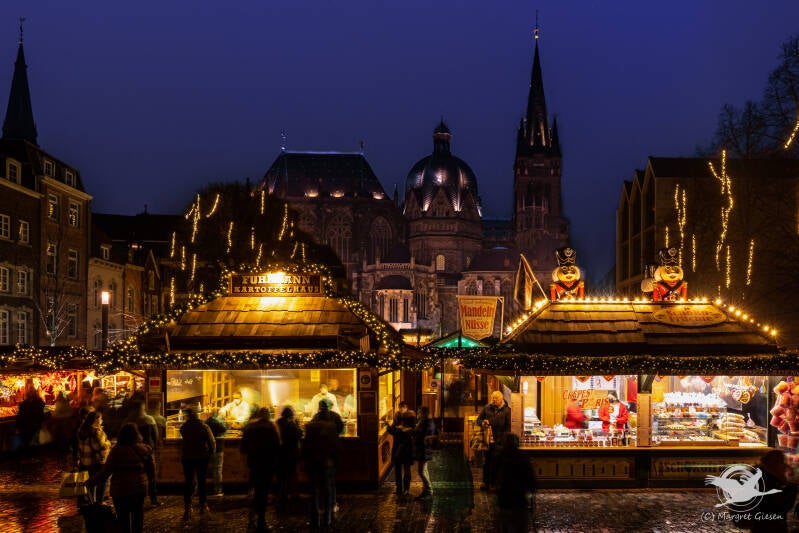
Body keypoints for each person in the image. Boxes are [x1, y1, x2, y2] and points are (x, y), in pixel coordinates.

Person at [88, 423, 155, 533]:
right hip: (139, 489)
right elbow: (151, 471)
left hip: (120, 491)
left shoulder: (116, 451)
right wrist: (149, 483)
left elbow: (105, 472)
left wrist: (90, 482)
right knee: (137, 517)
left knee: (123, 520)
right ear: (136, 434)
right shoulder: (145, 449)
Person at [303, 399, 343, 529]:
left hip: (313, 463)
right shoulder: (332, 426)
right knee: (329, 488)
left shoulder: (310, 426)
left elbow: (305, 446)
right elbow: (336, 446)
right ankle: (328, 517)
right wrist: (336, 461)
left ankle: (315, 518)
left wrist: (305, 461)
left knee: (314, 490)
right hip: (327, 463)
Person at [240, 407, 281, 532]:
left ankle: (252, 515)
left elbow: (243, 448)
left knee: (256, 490)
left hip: (254, 463)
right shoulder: (272, 427)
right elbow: (277, 447)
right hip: (268, 464)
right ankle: (261, 520)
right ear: (268, 415)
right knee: (263, 492)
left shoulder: (250, 428)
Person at [747, 450, 798, 532]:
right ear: (774, 464)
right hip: (770, 527)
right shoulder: (770, 481)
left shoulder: (760, 475)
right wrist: (792, 486)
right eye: (782, 462)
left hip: (759, 526)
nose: (785, 466)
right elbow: (781, 506)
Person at [179, 407, 216, 520]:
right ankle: (202, 505)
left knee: (188, 481)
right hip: (201, 457)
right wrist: (210, 453)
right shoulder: (204, 426)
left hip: (187, 457)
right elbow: (212, 441)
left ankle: (187, 507)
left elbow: (182, 436)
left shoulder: (184, 427)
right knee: (201, 481)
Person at [495, 433, 536, 533]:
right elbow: (530, 475)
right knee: (520, 526)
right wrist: (532, 490)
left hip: (504, 497)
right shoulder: (522, 456)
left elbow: (493, 474)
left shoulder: (499, 456)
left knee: (505, 525)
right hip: (519, 498)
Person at [125, 400, 160, 506]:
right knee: (151, 475)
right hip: (147, 451)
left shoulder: (128, 421)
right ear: (143, 407)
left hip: (131, 452)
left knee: (133, 475)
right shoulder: (149, 420)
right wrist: (156, 447)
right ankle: (153, 499)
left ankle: (133, 497)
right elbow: (156, 436)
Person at [475, 390, 511, 490]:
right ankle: (486, 483)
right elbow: (478, 420)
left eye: (496, 398)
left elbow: (508, 427)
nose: (494, 400)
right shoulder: (487, 408)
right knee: (487, 462)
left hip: (500, 441)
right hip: (488, 441)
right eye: (493, 398)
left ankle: (495, 483)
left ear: (501, 399)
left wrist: (504, 440)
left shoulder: (507, 411)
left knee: (498, 462)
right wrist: (483, 422)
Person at [77, 410, 111, 504]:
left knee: (90, 482)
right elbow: (99, 446)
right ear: (96, 420)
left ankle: (91, 501)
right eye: (100, 418)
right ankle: (99, 502)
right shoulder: (95, 431)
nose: (102, 420)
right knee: (102, 481)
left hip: (85, 461)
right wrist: (108, 443)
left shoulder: (81, 429)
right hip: (96, 461)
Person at [276, 406, 303, 512]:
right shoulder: (292, 424)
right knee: (292, 473)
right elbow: (299, 434)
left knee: (281, 475)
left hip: (280, 453)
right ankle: (293, 494)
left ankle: (281, 495)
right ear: (291, 414)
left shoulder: (278, 423)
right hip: (291, 452)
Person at [387, 401, 416, 497]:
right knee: (397, 468)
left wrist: (402, 429)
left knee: (407, 468)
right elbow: (392, 431)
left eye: (403, 407)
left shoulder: (411, 417)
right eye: (400, 407)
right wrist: (388, 426)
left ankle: (406, 489)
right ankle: (399, 488)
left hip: (406, 446)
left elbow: (413, 431)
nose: (401, 409)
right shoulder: (397, 417)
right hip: (397, 446)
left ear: (406, 408)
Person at [413, 405, 436, 500]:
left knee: (421, 471)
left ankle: (429, 491)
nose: (418, 414)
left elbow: (424, 435)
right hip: (422, 449)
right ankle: (425, 490)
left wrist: (415, 430)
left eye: (419, 413)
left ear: (423, 414)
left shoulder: (427, 423)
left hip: (425, 450)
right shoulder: (424, 422)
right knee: (424, 470)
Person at [205, 408, 227, 497]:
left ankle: (199, 490)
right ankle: (218, 490)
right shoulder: (217, 422)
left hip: (206, 450)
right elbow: (224, 429)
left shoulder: (205, 423)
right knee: (217, 470)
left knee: (202, 471)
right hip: (218, 449)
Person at [16, 385, 45, 451]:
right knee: (35, 441)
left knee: (28, 441)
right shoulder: (39, 402)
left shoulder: (24, 404)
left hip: (26, 425)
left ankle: (28, 453)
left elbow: (20, 415)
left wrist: (18, 426)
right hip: (36, 425)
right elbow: (41, 414)